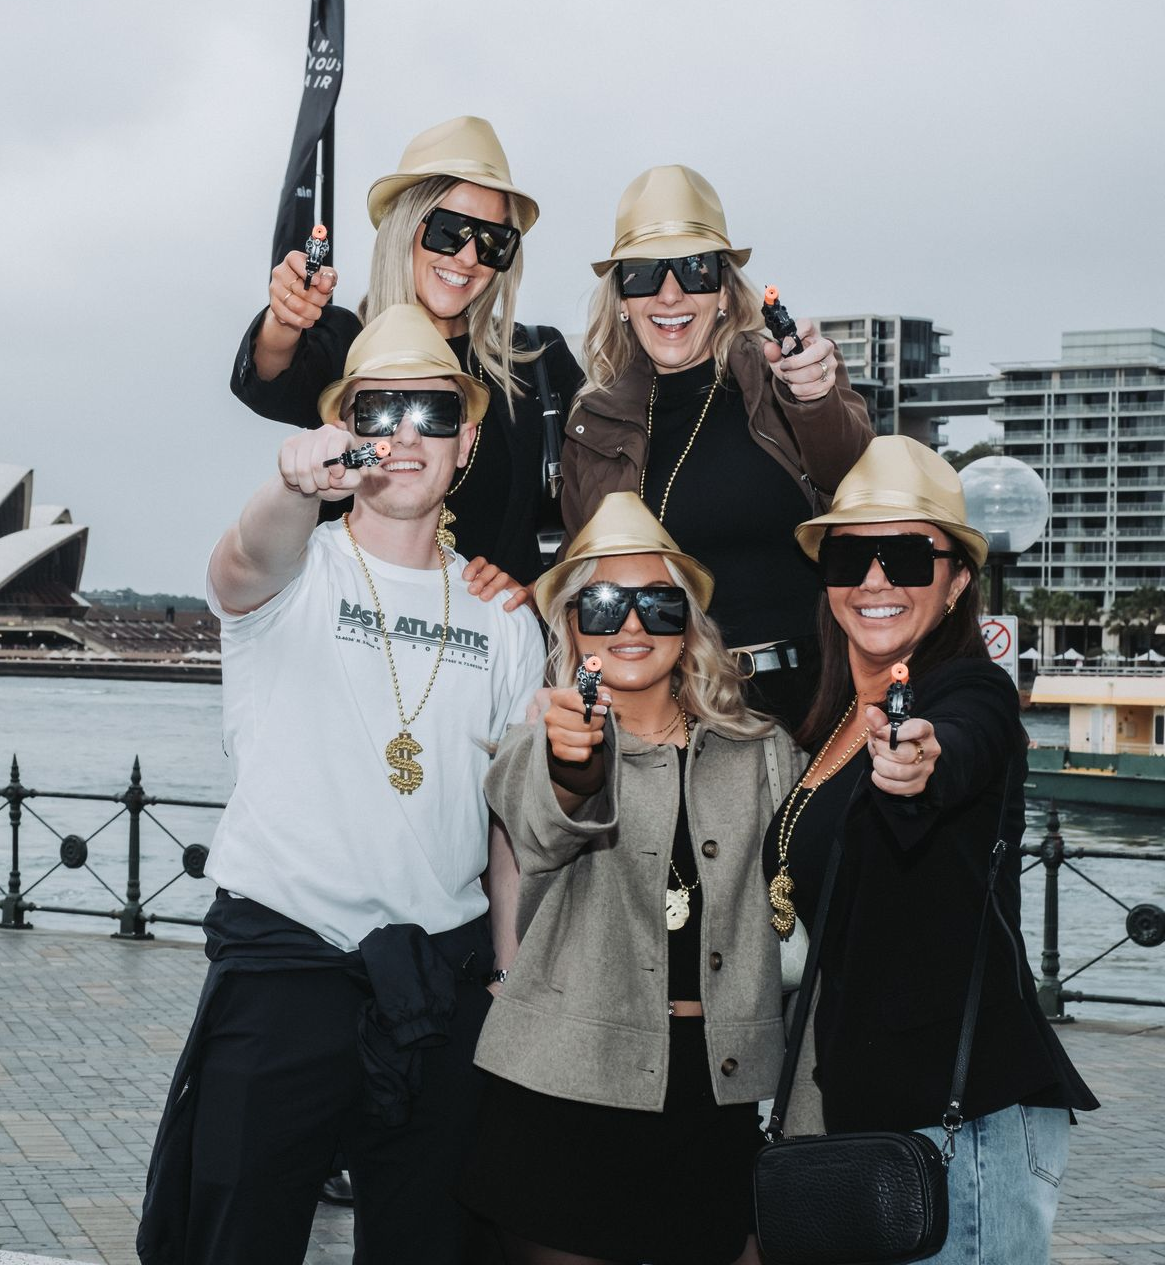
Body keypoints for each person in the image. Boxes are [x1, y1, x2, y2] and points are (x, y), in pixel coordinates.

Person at [138, 305, 544, 1265]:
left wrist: (507, 974)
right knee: (230, 1240)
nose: (406, 435)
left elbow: (509, 826)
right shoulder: (297, 573)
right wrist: (289, 487)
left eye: (433, 414)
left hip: (439, 979)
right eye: (381, 411)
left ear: (468, 440)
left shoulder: (504, 618)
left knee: (433, 1246)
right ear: (343, 429)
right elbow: (245, 560)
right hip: (286, 963)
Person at [762, 437, 1098, 1264]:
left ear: (954, 581)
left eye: (907, 555)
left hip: (966, 1115)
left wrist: (918, 762)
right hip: (865, 1108)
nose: (874, 579)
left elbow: (963, 742)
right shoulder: (827, 717)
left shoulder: (965, 690)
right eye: (850, 556)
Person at [462, 491, 805, 1265]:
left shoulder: (762, 752)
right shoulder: (540, 744)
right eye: (604, 603)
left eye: (657, 604)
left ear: (689, 629)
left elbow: (812, 885)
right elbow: (545, 817)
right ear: (571, 625)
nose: (629, 624)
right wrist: (573, 760)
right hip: (560, 1098)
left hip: (712, 1098)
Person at [560, 165, 872, 731]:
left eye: (694, 270)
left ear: (724, 290)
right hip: (670, 714)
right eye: (645, 275)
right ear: (622, 299)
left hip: (813, 703)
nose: (671, 293)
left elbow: (857, 484)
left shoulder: (788, 375)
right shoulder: (594, 422)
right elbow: (581, 588)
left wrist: (815, 401)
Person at [231, 115, 583, 589]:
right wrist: (285, 318)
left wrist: (541, 590)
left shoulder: (538, 359)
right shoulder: (346, 344)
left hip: (496, 650)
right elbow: (270, 378)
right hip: (357, 632)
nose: (467, 257)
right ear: (404, 226)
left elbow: (602, 503)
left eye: (491, 241)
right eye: (449, 230)